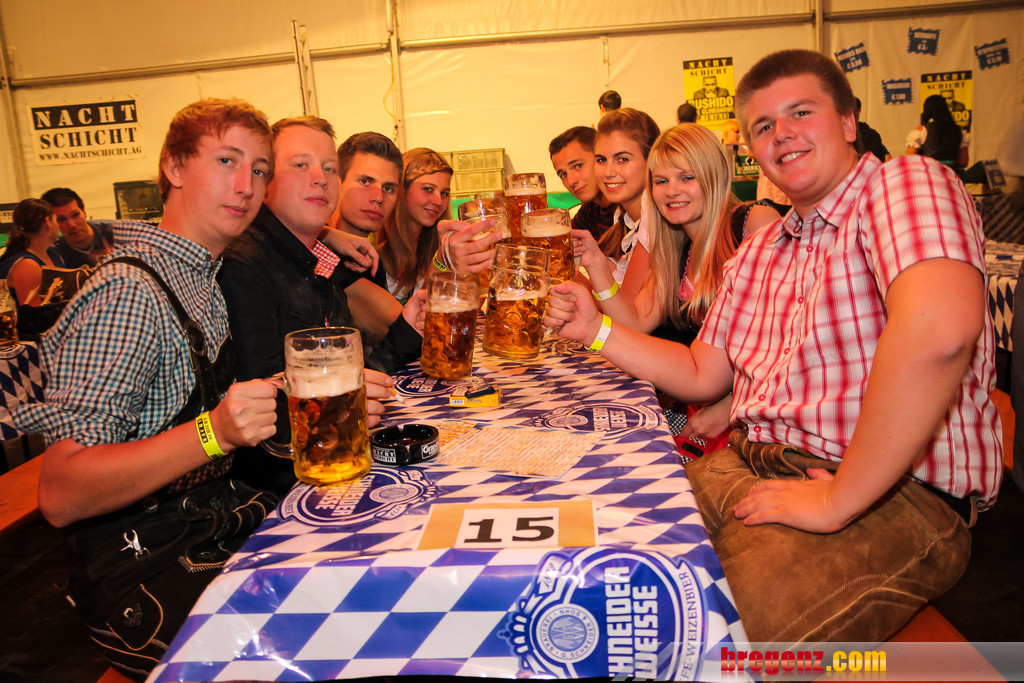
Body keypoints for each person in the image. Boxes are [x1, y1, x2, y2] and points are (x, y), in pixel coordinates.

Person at [545, 49, 1002, 643]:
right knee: (586, 566)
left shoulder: (904, 183)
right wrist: (595, 331)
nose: (781, 133)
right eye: (763, 126)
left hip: (888, 493)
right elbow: (701, 371)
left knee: (704, 643)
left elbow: (938, 333)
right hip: (743, 463)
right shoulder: (764, 250)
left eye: (801, 113)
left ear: (848, 121)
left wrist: (838, 500)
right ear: (752, 150)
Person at [13, 98, 282, 678]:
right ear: (174, 167)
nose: (246, 185)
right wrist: (214, 433)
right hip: (141, 569)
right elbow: (61, 493)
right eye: (227, 160)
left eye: (260, 170)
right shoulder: (130, 293)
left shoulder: (202, 277)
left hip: (211, 526)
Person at [220, 116, 424, 495]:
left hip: (338, 458)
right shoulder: (244, 264)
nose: (321, 178)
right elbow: (263, 416)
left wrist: (408, 332)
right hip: (284, 489)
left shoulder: (317, 259)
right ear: (264, 180)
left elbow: (355, 376)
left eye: (329, 168)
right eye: (301, 165)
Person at [579, 107, 660, 298]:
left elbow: (627, 308)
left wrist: (570, 275)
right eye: (601, 160)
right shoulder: (625, 218)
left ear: (652, 160)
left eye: (622, 159)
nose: (608, 172)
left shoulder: (655, 219)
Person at [375, 147, 453, 303]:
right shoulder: (371, 251)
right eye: (428, 189)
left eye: (444, 193)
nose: (438, 201)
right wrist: (439, 262)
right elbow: (402, 317)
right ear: (402, 189)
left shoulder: (434, 246)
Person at [327, 131, 403, 290]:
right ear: (336, 182)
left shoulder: (372, 262)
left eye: (388, 188)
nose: (379, 197)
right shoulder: (307, 248)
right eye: (365, 181)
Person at [548, 126, 616, 240]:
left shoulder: (629, 208)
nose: (571, 181)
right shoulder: (591, 208)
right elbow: (564, 238)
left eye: (578, 166)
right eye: (563, 175)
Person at [0, 198, 65, 306]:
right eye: (56, 219)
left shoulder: (52, 252)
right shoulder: (26, 265)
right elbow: (34, 313)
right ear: (48, 222)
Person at [40, 187, 115, 267]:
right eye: (62, 219)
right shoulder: (55, 251)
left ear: (84, 212)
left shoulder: (115, 231)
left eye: (76, 215)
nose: (72, 224)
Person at [906, 94, 969, 171]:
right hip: (952, 175)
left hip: (928, 175)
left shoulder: (921, 130)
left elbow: (910, 159)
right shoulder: (959, 131)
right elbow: (963, 162)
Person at [854, 97, 890, 162]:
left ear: (859, 111)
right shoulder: (838, 134)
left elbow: (884, 158)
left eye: (853, 111)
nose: (851, 114)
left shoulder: (871, 135)